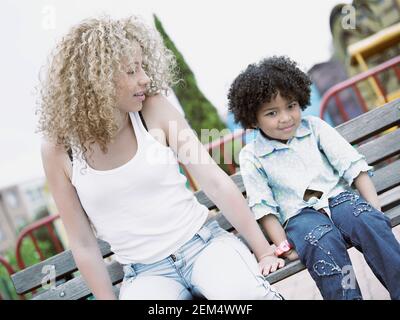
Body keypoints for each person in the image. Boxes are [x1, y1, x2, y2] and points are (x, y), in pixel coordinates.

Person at [38, 15, 285, 300]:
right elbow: (82, 244)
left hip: (203, 247)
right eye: (131, 71)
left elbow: (214, 181)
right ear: (98, 81)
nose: (145, 78)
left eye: (142, 67)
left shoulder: (154, 108)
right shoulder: (58, 149)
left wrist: (264, 251)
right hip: (145, 275)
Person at [227, 55, 400, 300]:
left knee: (367, 221)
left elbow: (352, 166)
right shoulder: (252, 155)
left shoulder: (314, 128)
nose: (286, 118)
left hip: (339, 200)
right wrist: (284, 248)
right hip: (301, 217)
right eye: (272, 113)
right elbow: (264, 208)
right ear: (253, 118)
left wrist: (374, 209)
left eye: (291, 106)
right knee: (321, 241)